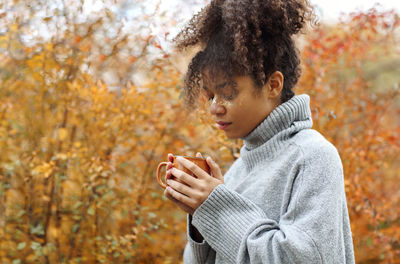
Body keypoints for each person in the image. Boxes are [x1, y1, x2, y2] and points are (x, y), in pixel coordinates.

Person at [163, 0, 355, 263]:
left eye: (228, 93)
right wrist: (201, 215)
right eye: (210, 97)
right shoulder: (235, 173)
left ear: (273, 85)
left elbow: (300, 259)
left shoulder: (312, 157)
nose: (215, 108)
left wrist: (218, 207)